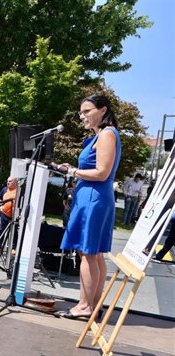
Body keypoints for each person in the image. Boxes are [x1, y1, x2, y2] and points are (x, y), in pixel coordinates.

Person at [57, 94, 122, 320]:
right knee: (95, 255)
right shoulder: (104, 135)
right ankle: (93, 305)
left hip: (93, 198)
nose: (82, 116)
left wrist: (72, 171)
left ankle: (84, 306)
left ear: (102, 110)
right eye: (81, 112)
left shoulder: (106, 134)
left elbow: (102, 172)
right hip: (94, 197)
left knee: (88, 254)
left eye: (87, 111)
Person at [0, 176, 18, 253]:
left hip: (14, 215)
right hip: (4, 214)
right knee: (2, 230)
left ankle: (14, 248)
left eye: (10, 181)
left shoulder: (18, 191)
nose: (8, 182)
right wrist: (0, 206)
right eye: (8, 181)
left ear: (15, 182)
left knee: (14, 232)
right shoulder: (4, 189)